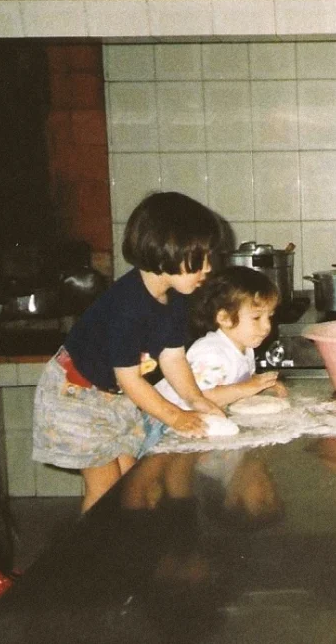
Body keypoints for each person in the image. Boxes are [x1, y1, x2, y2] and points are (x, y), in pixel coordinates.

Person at [32, 192, 226, 512]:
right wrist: (177, 417)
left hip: (113, 396)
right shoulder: (127, 305)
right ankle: (89, 559)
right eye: (199, 258)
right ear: (166, 253)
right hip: (75, 396)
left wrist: (199, 402)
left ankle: (123, 556)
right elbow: (131, 379)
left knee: (135, 486)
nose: (208, 267)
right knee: (106, 489)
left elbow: (173, 357)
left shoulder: (175, 297)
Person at [140, 265, 287, 455]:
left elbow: (234, 380)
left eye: (270, 316)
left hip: (191, 421)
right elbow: (201, 397)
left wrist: (261, 384)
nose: (267, 326)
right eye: (257, 318)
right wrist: (248, 387)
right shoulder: (212, 352)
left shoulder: (245, 348)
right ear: (224, 318)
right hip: (163, 422)